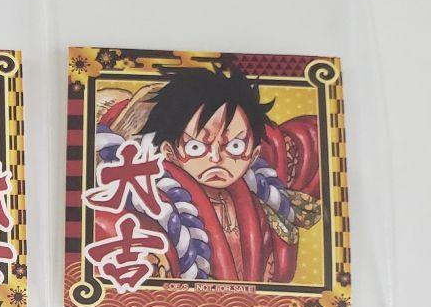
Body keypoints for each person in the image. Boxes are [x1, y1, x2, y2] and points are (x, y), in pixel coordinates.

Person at [94, 66, 321, 284]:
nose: (216, 158)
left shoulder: (262, 188)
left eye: (234, 146)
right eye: (196, 147)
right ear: (170, 152)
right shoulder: (152, 201)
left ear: (254, 154)